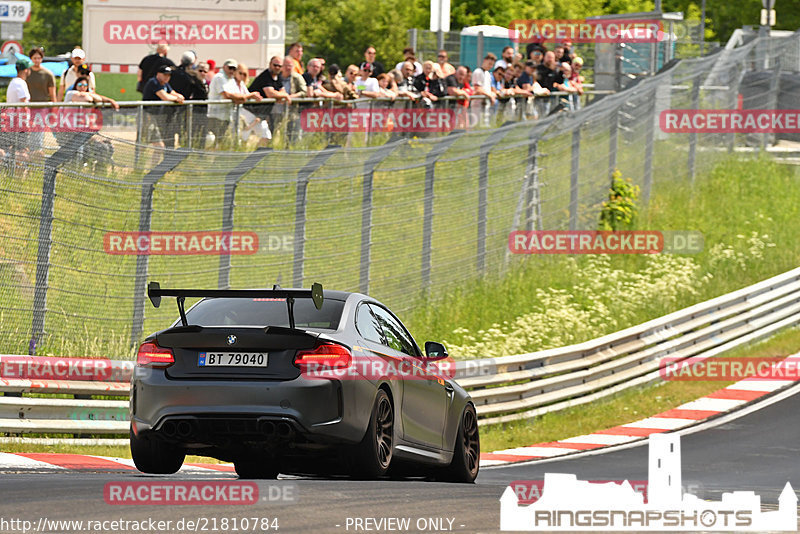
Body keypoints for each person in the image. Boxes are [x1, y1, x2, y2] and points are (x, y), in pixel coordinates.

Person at [142, 65, 185, 151]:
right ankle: (138, 162)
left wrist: (179, 97)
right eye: (165, 74)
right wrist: (177, 99)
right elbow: (165, 97)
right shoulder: (153, 82)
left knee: (158, 148)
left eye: (169, 75)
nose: (167, 77)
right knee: (143, 145)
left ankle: (152, 164)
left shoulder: (165, 84)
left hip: (154, 117)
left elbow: (174, 93)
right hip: (147, 116)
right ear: (158, 74)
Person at [207, 58, 246, 146]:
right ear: (224, 67)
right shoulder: (219, 77)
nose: (232, 71)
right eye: (230, 68)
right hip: (216, 116)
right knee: (213, 141)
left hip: (226, 116)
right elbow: (226, 95)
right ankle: (209, 158)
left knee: (221, 142)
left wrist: (240, 97)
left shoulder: (231, 79)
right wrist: (242, 97)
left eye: (234, 69)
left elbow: (237, 94)